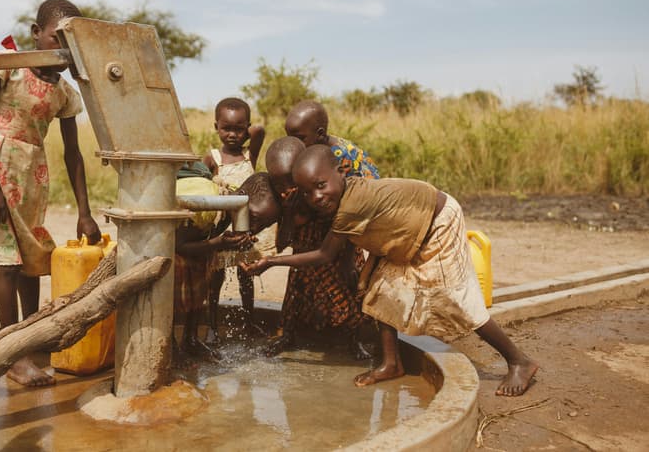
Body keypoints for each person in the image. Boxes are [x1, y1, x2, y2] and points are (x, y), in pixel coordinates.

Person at [243, 145, 539, 397]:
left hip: (438, 223)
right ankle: (391, 364)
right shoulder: (345, 196)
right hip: (411, 233)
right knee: (380, 292)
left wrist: (270, 262)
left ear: (343, 171)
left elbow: (324, 255)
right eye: (308, 193)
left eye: (321, 186)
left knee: (458, 298)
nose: (317, 197)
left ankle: (518, 361)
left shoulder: (350, 207)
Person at [0, 0, 101, 386]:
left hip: (30, 176)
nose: (62, 49)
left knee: (33, 259)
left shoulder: (66, 93)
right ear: (36, 34)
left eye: (71, 42)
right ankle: (11, 355)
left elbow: (73, 154)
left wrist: (84, 211)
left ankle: (31, 337)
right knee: (6, 261)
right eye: (56, 37)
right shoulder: (8, 67)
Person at [263, 137, 371, 360]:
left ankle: (355, 340)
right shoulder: (291, 201)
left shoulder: (322, 192)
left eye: (289, 183)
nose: (286, 190)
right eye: (280, 185)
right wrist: (290, 212)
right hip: (304, 260)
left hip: (340, 253)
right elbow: (283, 242)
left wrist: (348, 261)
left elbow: (348, 230)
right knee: (295, 299)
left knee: (350, 295)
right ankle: (288, 336)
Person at [202, 98, 270, 343]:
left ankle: (249, 322)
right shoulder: (212, 159)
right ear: (216, 127)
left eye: (238, 129)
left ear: (246, 128)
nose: (231, 134)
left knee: (246, 277)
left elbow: (259, 131)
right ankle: (212, 326)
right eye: (226, 128)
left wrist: (245, 130)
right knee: (215, 279)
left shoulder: (249, 156)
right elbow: (201, 188)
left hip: (245, 230)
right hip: (222, 230)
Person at [174, 163, 255, 360]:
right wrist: (217, 242)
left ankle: (191, 339)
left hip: (198, 249)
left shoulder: (228, 201)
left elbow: (217, 234)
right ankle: (170, 346)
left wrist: (237, 240)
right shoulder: (200, 208)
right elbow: (179, 246)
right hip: (174, 253)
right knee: (172, 299)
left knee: (199, 293)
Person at [285, 100, 379, 179]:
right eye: (290, 138)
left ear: (320, 134)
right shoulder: (319, 146)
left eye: (300, 138)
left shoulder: (339, 157)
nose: (293, 144)